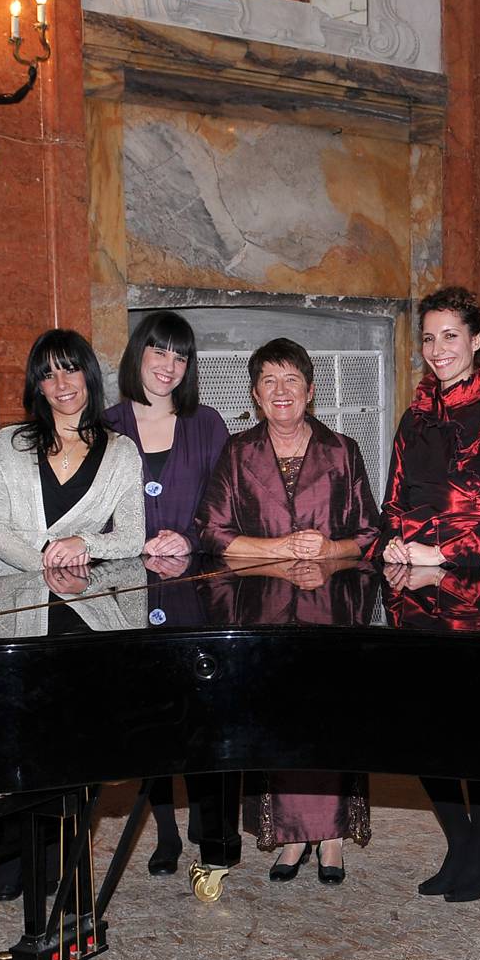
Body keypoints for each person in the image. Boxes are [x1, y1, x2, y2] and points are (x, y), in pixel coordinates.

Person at [194, 337, 380, 882]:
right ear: (255, 394)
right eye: (269, 381)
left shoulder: (342, 450)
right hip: (261, 614)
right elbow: (211, 532)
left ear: (310, 390)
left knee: (328, 721)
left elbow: (368, 533)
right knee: (276, 723)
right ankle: (292, 837)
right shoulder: (237, 453)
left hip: (332, 614)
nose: (281, 391)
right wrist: (278, 548)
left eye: (291, 380)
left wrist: (329, 548)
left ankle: (332, 838)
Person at [374, 286, 480, 903]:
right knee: (422, 732)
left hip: (476, 594)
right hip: (412, 596)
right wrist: (393, 542)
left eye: (450, 336)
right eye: (429, 337)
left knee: (476, 732)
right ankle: (466, 844)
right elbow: (392, 502)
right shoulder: (412, 418)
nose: (438, 348)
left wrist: (443, 553)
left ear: (475, 341)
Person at [103, 309, 232, 875]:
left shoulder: (208, 423)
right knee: (148, 719)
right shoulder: (104, 424)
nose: (169, 365)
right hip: (126, 595)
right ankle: (164, 832)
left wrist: (190, 537)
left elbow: (226, 505)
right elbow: (89, 510)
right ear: (139, 353)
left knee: (198, 719)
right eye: (159, 350)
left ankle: (208, 832)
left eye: (180, 356)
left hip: (197, 596)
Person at [0, 329, 144, 576]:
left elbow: (132, 538)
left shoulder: (123, 453)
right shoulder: (8, 444)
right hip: (13, 592)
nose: (61, 384)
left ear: (89, 374)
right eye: (48, 375)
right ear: (39, 387)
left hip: (82, 593)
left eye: (70, 369)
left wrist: (85, 543)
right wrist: (47, 567)